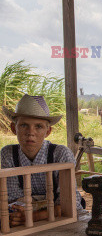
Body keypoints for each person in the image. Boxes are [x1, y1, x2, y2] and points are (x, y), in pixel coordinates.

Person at [1, 94, 84, 226]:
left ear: (48, 131)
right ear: (13, 128)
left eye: (38, 126)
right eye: (23, 125)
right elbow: (12, 201)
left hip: (62, 222)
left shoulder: (60, 155)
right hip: (24, 222)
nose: (30, 132)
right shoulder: (8, 154)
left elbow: (69, 204)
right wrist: (20, 214)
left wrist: (33, 216)